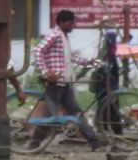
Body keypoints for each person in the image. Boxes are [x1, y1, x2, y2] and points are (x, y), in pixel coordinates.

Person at [31, 9, 102, 151]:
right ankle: (35, 143)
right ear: (62, 23)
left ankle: (93, 141)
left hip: (64, 82)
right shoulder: (55, 35)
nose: (73, 26)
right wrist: (45, 71)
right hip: (55, 82)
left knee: (75, 111)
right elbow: (38, 50)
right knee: (49, 114)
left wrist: (89, 62)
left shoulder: (63, 37)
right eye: (70, 23)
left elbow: (70, 57)